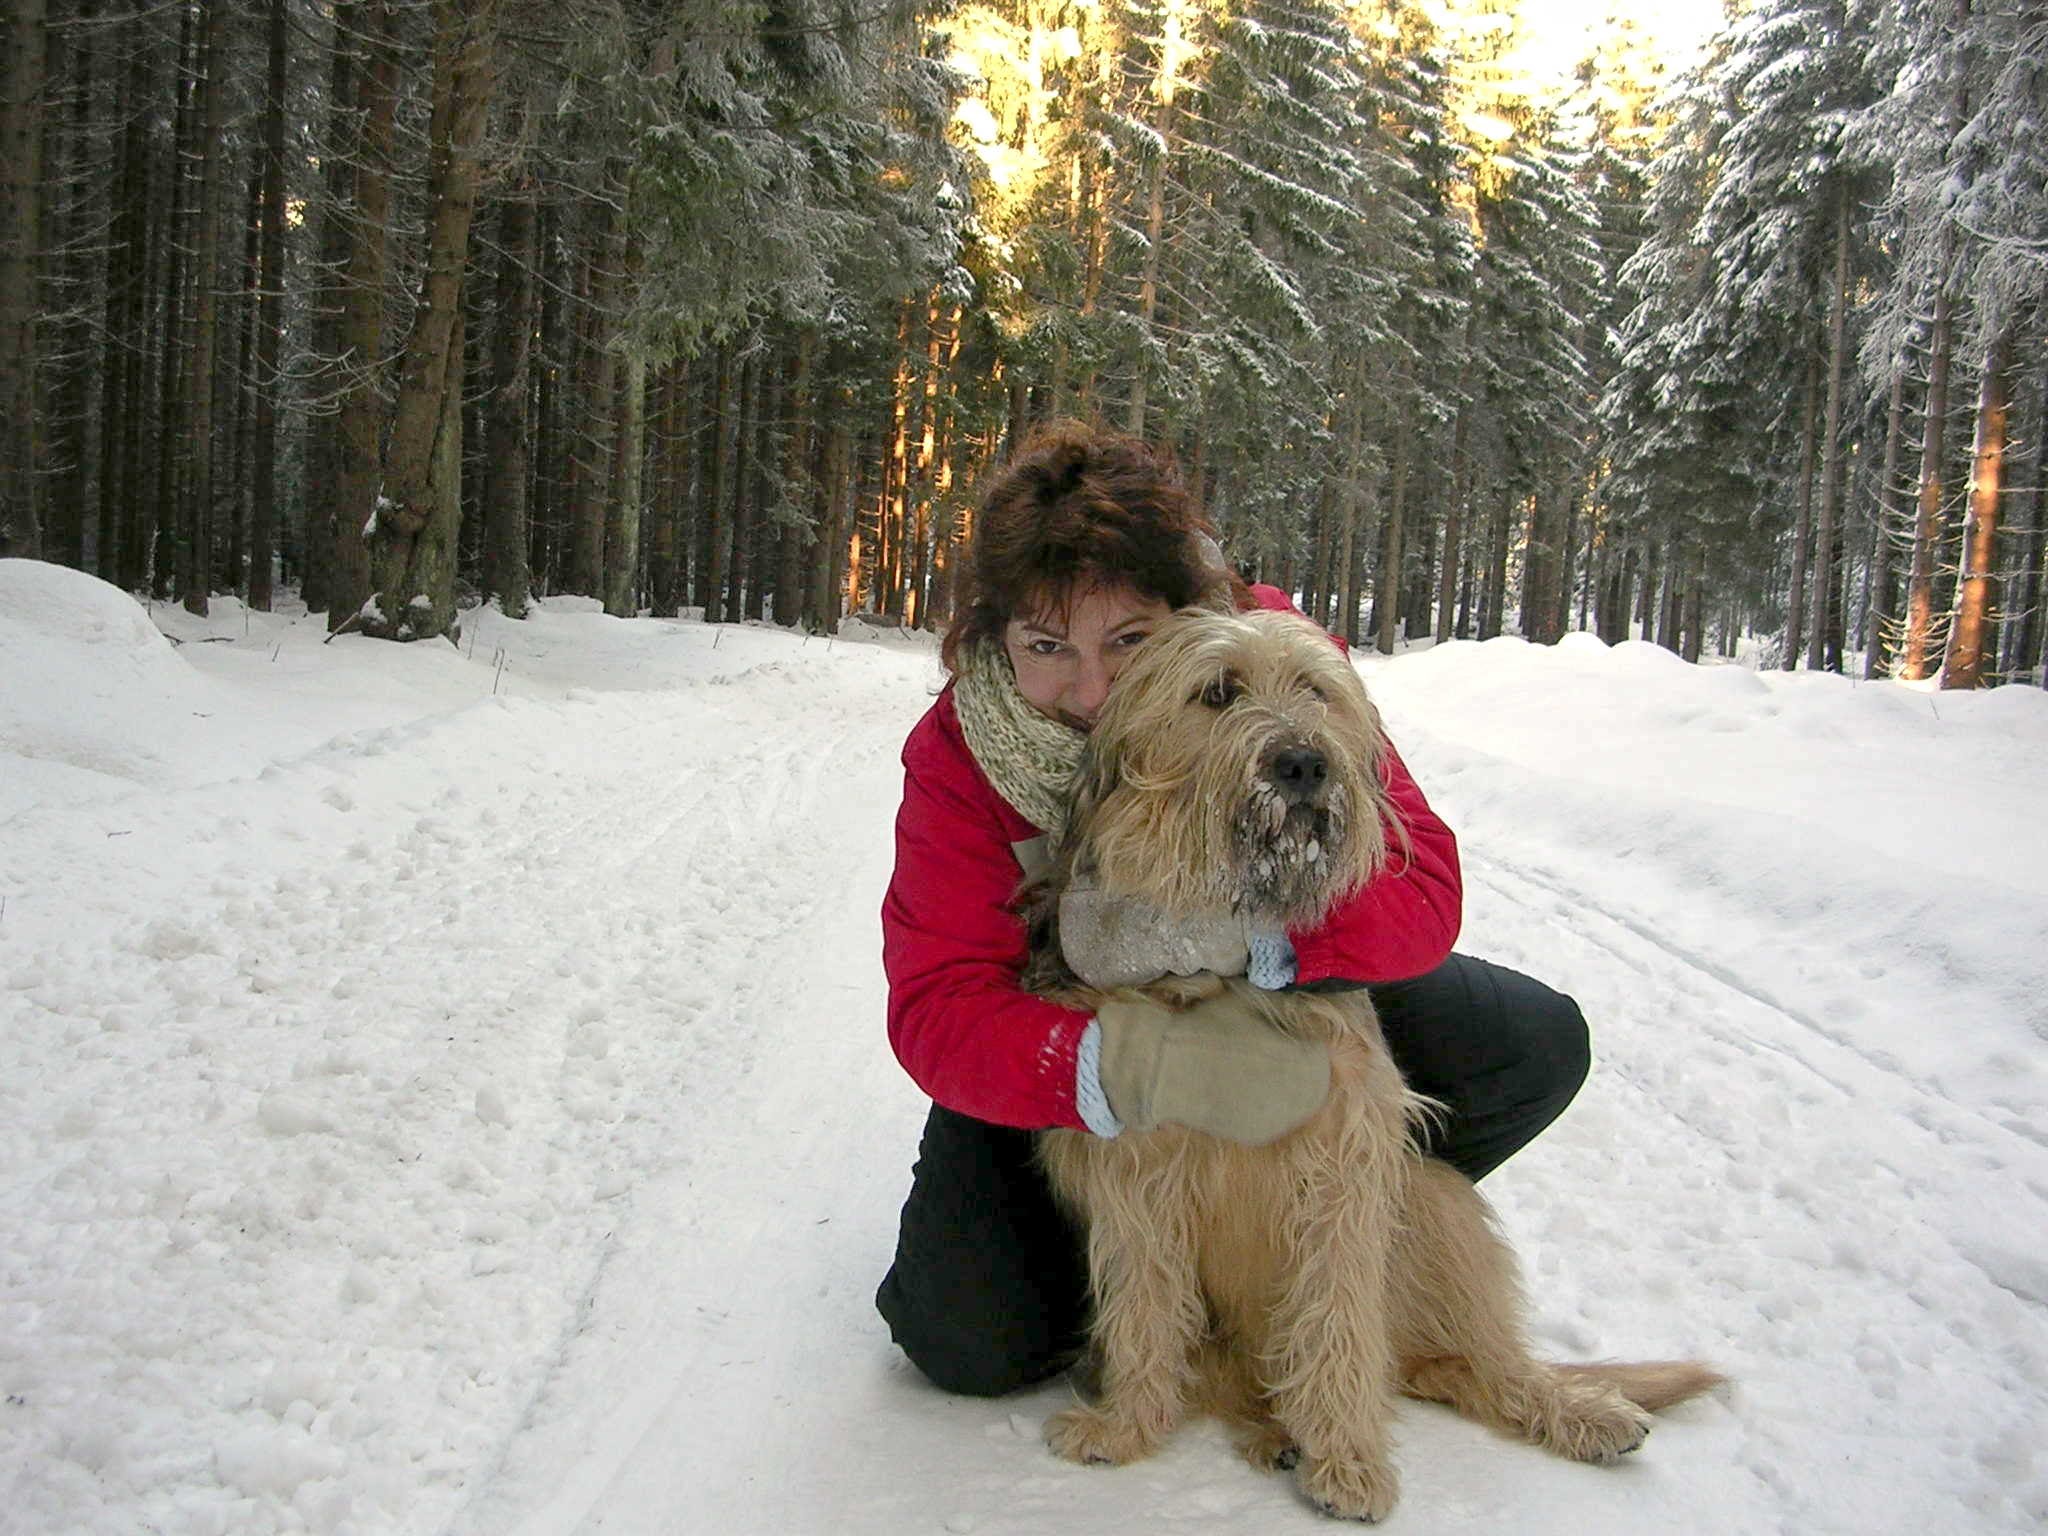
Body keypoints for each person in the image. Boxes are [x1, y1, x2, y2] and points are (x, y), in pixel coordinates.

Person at [874, 420, 1589, 1398]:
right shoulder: (960, 755)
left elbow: (1423, 890)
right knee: (963, 1339)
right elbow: (938, 1006)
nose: (1087, 691)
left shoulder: (1280, 668)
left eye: (1127, 641)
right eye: (1047, 646)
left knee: (1533, 1042)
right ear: (993, 640)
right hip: (1072, 1038)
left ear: (1183, 613)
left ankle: (1298, 1240)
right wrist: (1134, 1066)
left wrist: (1257, 944)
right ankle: (1145, 1266)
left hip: (1273, 974)